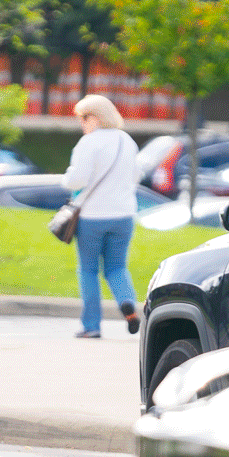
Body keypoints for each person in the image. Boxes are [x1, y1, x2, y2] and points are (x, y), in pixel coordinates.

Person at [63, 94, 140, 339]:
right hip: (124, 215)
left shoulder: (88, 143)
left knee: (88, 270)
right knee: (117, 267)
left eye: (84, 117)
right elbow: (135, 176)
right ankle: (128, 304)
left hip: (92, 217)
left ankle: (92, 325)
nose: (82, 123)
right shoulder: (127, 141)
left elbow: (77, 179)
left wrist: (65, 178)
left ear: (95, 117)